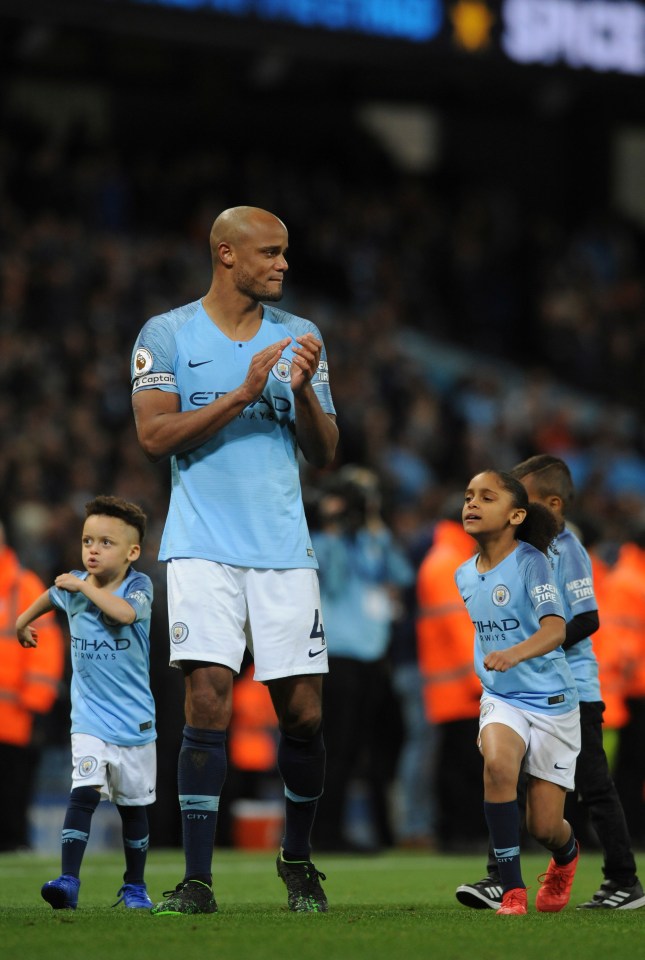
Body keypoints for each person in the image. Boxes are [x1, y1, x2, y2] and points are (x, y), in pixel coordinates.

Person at [130, 205, 338, 916]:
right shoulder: (167, 334)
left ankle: (298, 861)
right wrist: (242, 394)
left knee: (303, 714)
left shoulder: (302, 337)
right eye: (270, 253)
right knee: (207, 698)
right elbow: (155, 438)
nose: (283, 264)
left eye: (285, 253)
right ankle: (196, 879)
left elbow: (325, 450)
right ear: (226, 255)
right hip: (201, 545)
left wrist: (303, 391)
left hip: (283, 548)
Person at [457, 455, 644, 911]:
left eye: (526, 497)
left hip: (572, 688)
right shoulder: (493, 559)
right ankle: (501, 879)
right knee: (504, 772)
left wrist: (534, 644)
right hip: (517, 685)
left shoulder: (565, 546)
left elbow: (587, 618)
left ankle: (623, 880)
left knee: (594, 785)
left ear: (550, 503)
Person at [16, 496, 156, 911]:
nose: (93, 549)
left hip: (135, 722)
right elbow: (50, 595)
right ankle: (68, 881)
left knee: (134, 808)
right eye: (87, 540)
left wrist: (80, 587)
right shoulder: (76, 584)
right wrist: (25, 620)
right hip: (90, 719)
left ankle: (134, 886)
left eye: (106, 543)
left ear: (132, 552)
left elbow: (125, 615)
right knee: (84, 791)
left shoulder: (138, 586)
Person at [453, 469, 580, 916]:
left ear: (516, 515)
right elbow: (482, 636)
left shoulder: (532, 562)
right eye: (469, 496)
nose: (472, 504)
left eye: (486, 498)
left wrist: (514, 654)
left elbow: (556, 629)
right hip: (503, 697)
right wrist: (490, 683)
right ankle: (512, 892)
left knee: (545, 826)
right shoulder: (463, 574)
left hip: (551, 702)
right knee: (498, 765)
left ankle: (565, 857)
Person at [308, 466, 414, 852]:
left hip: (373, 661)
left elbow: (401, 574)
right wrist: (335, 530)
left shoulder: (373, 542)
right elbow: (332, 580)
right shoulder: (322, 542)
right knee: (338, 750)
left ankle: (379, 832)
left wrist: (373, 524)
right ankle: (326, 834)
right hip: (339, 660)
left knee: (373, 751)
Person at [416, 493, 484, 852]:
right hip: (460, 686)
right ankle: (459, 834)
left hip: (456, 684)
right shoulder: (448, 563)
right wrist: (482, 678)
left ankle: (460, 832)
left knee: (459, 762)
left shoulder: (452, 558)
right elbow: (458, 628)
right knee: (460, 765)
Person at [0, 521, 65, 852]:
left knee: (13, 796)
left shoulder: (23, 586)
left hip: (15, 717)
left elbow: (45, 648)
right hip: (15, 713)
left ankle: (15, 844)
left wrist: (37, 704)